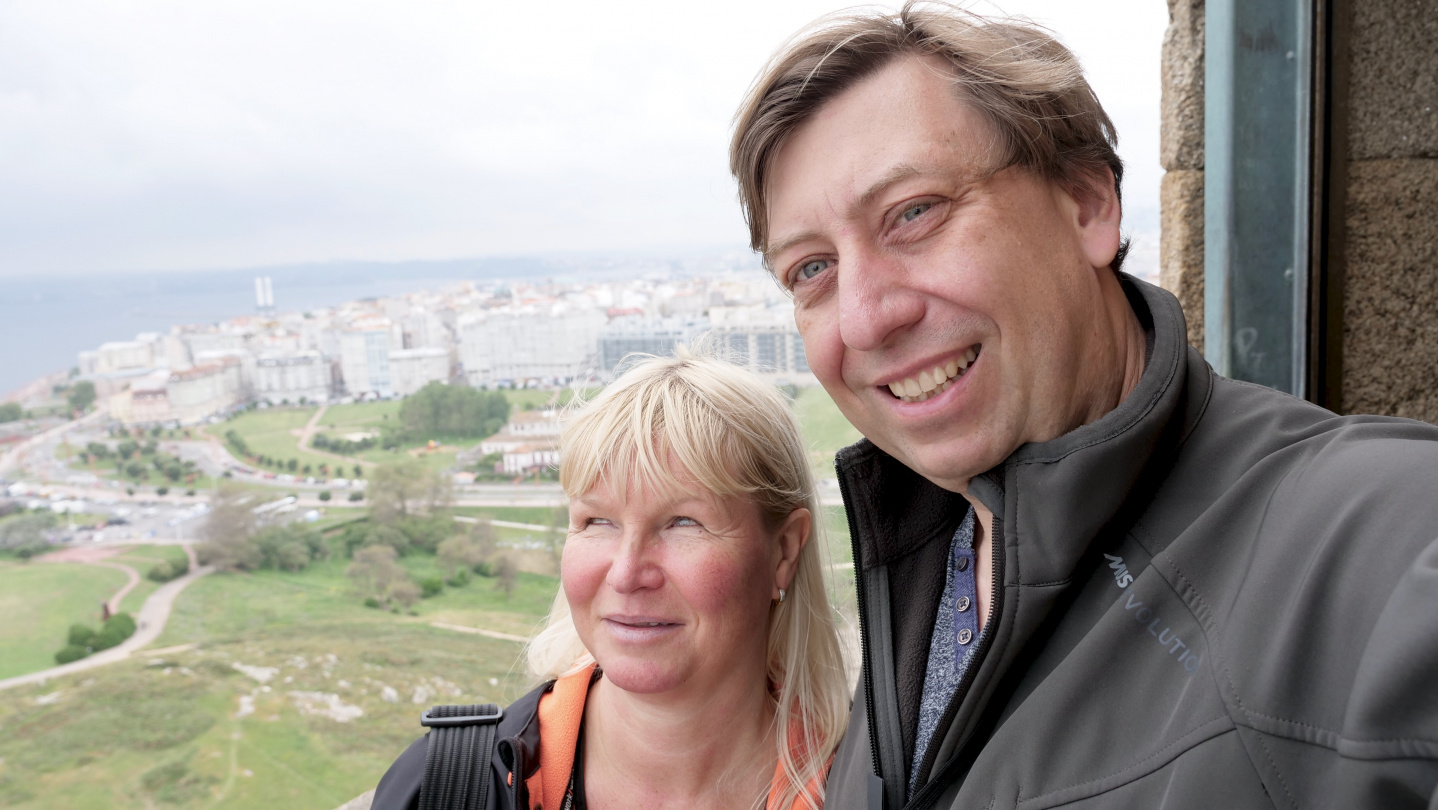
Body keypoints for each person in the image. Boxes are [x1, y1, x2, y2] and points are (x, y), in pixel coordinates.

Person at [730, 3, 1438, 808]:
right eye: (811, 269)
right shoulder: (933, 558)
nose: (864, 317)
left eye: (915, 213)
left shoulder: (1373, 534)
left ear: (1088, 204)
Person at [371, 352, 850, 809]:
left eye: (683, 522)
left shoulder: (873, 786)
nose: (625, 574)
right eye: (597, 521)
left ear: (783, 551)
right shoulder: (445, 790)